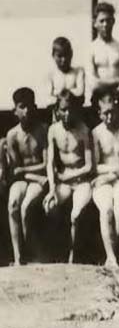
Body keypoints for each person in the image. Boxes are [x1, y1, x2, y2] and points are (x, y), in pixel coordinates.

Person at [44, 90, 94, 264]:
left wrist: (70, 176)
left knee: (76, 214)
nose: (67, 114)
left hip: (81, 180)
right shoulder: (53, 130)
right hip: (63, 181)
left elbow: (89, 166)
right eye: (63, 110)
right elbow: (50, 162)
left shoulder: (83, 130)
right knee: (50, 206)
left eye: (70, 110)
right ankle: (58, 250)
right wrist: (51, 189)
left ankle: (74, 256)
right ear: (57, 110)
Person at [91, 91, 119, 267]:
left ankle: (117, 252)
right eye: (105, 113)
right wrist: (114, 172)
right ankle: (111, 257)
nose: (109, 117)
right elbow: (95, 166)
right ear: (99, 113)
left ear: (118, 110)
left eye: (112, 112)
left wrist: (110, 174)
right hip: (102, 182)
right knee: (106, 209)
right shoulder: (96, 133)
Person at [6, 87, 48, 265]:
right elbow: (16, 170)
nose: (27, 111)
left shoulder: (42, 130)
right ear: (15, 110)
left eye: (30, 106)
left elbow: (46, 164)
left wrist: (26, 172)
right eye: (22, 107)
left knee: (27, 206)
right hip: (26, 180)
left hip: (37, 178)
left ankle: (32, 254)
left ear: (35, 107)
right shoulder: (12, 135)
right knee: (13, 204)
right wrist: (28, 173)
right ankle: (18, 256)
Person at [87, 2, 119, 104]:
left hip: (118, 101)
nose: (105, 24)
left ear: (113, 21)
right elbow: (93, 84)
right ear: (94, 23)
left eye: (108, 20)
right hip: (98, 102)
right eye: (102, 21)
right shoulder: (91, 49)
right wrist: (118, 81)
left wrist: (111, 94)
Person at [48, 37, 85, 110]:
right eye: (59, 56)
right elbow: (48, 98)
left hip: (75, 112)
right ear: (53, 55)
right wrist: (70, 93)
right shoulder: (51, 75)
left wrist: (58, 94)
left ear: (71, 54)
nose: (63, 59)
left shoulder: (78, 72)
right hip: (57, 112)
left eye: (66, 55)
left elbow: (80, 92)